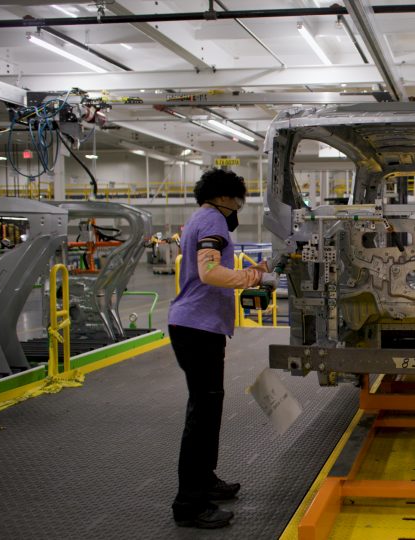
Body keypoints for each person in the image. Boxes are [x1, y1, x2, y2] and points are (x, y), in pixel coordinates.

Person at [167, 168, 277, 529]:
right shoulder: (214, 220)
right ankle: (189, 504)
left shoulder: (201, 217)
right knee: (202, 414)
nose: (239, 207)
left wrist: (254, 269)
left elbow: (212, 269)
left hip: (197, 326)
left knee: (209, 406)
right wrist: (254, 277)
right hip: (196, 328)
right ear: (227, 197)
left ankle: (206, 481)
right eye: (239, 200)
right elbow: (210, 273)